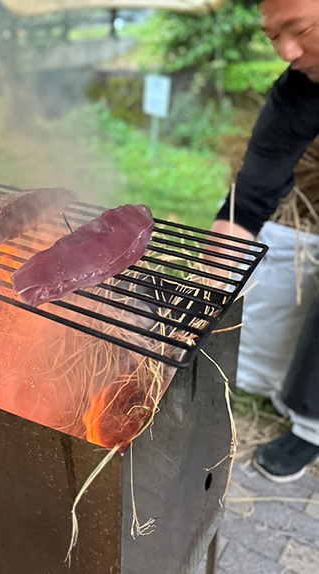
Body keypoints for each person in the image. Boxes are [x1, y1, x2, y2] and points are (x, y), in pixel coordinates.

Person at [212, 0, 319, 483]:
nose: (286, 51)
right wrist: (207, 290)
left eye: (298, 29)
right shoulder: (301, 90)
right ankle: (312, 424)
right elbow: (250, 199)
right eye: (273, 35)